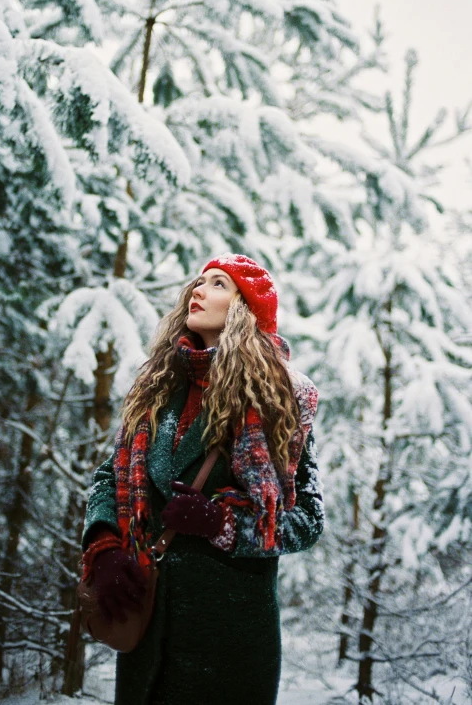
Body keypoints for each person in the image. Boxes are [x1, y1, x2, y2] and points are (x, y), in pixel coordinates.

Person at [81, 254, 324, 705]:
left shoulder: (280, 398)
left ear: (244, 310)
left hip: (228, 642)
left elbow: (307, 521)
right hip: (146, 627)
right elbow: (107, 478)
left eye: (218, 284)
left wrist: (222, 525)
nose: (198, 289)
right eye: (199, 281)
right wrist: (105, 546)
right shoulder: (157, 386)